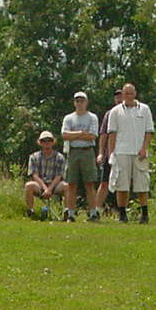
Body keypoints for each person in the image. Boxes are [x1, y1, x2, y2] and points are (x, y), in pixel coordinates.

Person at [107, 83, 154, 224]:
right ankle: (122, 215)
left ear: (135, 94)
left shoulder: (144, 109)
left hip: (139, 152)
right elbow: (112, 133)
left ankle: (144, 214)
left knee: (142, 184)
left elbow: (149, 131)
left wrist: (144, 148)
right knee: (122, 184)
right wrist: (112, 154)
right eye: (125, 93)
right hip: (121, 152)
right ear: (122, 95)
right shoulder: (115, 112)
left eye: (130, 93)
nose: (128, 96)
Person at [61, 91, 100, 222]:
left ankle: (93, 213)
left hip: (87, 151)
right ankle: (70, 213)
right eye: (77, 101)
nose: (79, 103)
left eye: (82, 101)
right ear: (74, 103)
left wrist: (74, 134)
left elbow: (92, 136)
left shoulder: (92, 117)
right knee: (71, 184)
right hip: (73, 152)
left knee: (89, 183)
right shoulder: (69, 118)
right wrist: (81, 133)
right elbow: (64, 135)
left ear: (86, 102)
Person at [24, 131, 67, 218]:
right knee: (29, 185)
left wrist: (50, 189)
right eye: (44, 141)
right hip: (40, 185)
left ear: (53, 142)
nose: (47, 143)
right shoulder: (33, 157)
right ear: (40, 143)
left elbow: (59, 176)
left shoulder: (60, 157)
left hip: (55, 185)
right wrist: (45, 189)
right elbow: (35, 175)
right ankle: (30, 212)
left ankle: (67, 212)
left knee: (67, 186)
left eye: (49, 140)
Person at [95, 88, 124, 215]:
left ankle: (122, 212)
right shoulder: (109, 114)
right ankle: (95, 211)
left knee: (123, 184)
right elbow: (103, 135)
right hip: (110, 154)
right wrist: (101, 153)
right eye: (117, 97)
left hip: (125, 152)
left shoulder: (132, 113)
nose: (119, 99)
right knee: (104, 183)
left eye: (121, 96)